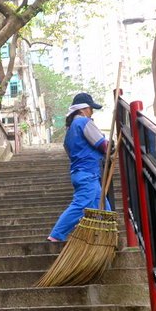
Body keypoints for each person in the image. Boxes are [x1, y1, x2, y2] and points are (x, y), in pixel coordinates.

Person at [48, 92, 112, 243]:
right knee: (82, 204)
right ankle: (56, 234)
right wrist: (111, 146)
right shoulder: (84, 122)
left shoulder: (70, 130)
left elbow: (69, 151)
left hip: (81, 172)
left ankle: (107, 236)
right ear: (83, 109)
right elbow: (102, 145)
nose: (92, 112)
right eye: (91, 108)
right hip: (87, 172)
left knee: (102, 206)